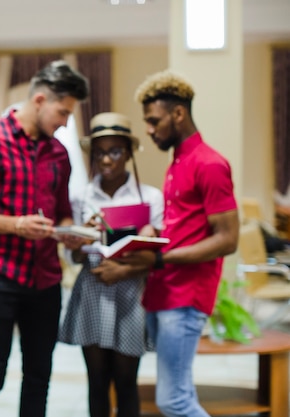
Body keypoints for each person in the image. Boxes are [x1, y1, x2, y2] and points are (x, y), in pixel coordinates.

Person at [0, 60, 89, 417]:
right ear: (40, 100)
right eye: (63, 111)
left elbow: (62, 212)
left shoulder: (59, 152)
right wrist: (15, 225)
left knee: (39, 374)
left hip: (45, 280)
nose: (66, 122)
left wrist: (71, 231)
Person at [96, 70, 239, 417]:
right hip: (165, 291)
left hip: (186, 296)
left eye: (153, 120)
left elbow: (227, 239)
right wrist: (148, 234)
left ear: (178, 114)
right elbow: (185, 227)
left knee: (173, 401)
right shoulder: (179, 162)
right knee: (181, 391)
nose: (148, 129)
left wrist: (158, 260)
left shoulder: (209, 163)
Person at [58, 112, 164, 417]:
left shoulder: (151, 197)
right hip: (93, 287)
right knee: (97, 380)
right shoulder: (81, 197)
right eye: (100, 152)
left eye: (115, 151)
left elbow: (156, 255)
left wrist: (143, 243)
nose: (106, 160)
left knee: (127, 379)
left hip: (130, 290)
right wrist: (79, 240)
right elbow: (74, 257)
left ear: (129, 153)